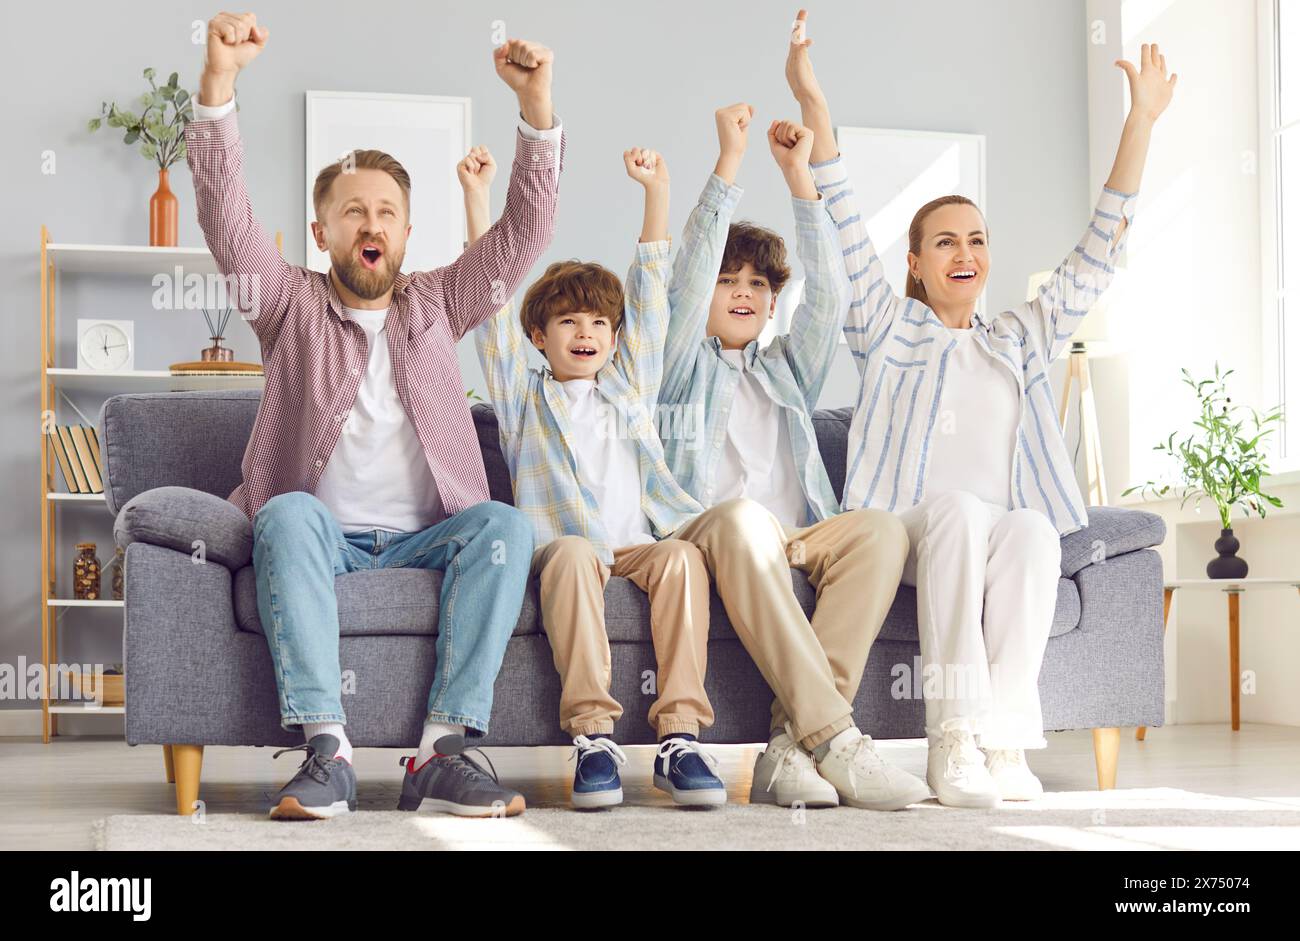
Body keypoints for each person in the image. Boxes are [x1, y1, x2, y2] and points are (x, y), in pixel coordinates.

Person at [786, 8, 1176, 806]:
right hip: (920, 522)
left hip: (998, 528)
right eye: (946, 242)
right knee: (960, 509)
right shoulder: (888, 327)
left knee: (1033, 527)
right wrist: (812, 102)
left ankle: (1001, 741)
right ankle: (951, 738)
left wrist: (1139, 120)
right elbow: (845, 220)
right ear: (918, 263)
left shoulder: (1022, 335)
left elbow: (1102, 249)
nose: (966, 252)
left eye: (977, 239)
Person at [186, 11, 565, 819]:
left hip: (430, 539)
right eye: (354, 211)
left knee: (503, 525)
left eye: (386, 211)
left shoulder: (439, 300)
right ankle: (328, 750)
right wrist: (219, 84)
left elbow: (524, 231)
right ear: (323, 230)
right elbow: (226, 216)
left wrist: (536, 108)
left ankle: (442, 751)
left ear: (405, 232)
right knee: (284, 514)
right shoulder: (285, 301)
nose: (371, 224)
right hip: (325, 537)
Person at [655, 94, 927, 809]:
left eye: (759, 285)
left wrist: (799, 175)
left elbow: (829, 297)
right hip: (711, 528)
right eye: (729, 281)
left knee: (881, 529)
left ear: (773, 301)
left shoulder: (787, 369)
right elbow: (681, 285)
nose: (744, 293)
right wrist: (731, 161)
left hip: (797, 534)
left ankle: (789, 747)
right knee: (743, 515)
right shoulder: (676, 363)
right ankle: (838, 737)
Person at [468, 144, 727, 808]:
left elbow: (651, 295)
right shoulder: (524, 397)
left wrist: (657, 192)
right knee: (578, 552)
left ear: (614, 338)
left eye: (598, 324)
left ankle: (680, 736)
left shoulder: (630, 386)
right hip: (567, 546)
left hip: (637, 543)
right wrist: (477, 201)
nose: (586, 332)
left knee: (683, 558)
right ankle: (593, 738)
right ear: (539, 336)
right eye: (568, 321)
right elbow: (490, 314)